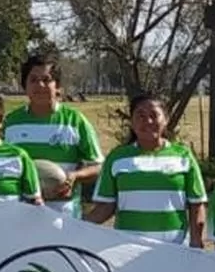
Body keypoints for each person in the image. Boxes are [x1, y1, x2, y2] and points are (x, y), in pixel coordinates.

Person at [86, 94, 207, 247]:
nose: (148, 121)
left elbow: (196, 204)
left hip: (175, 248)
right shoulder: (117, 158)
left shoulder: (183, 156)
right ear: (131, 121)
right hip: (127, 247)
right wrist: (77, 226)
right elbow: (106, 206)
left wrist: (197, 240)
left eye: (154, 115)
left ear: (166, 119)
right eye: (141, 116)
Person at [3, 54, 103, 217]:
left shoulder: (75, 121)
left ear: (57, 86)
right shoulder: (10, 123)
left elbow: (99, 166)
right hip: (22, 214)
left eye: (46, 79)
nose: (40, 85)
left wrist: (75, 177)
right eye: (33, 80)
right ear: (25, 86)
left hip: (64, 215)